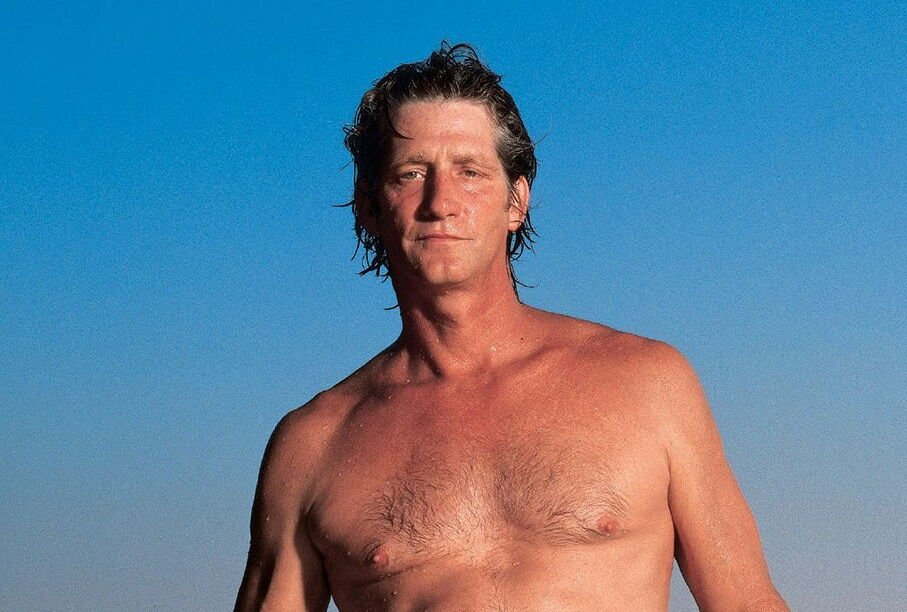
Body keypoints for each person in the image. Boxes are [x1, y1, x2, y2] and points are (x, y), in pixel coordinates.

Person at [235, 43, 788, 611]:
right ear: (369, 206)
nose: (441, 202)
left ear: (517, 201)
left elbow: (745, 602)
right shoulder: (314, 445)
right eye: (411, 173)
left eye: (470, 172)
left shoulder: (648, 384)